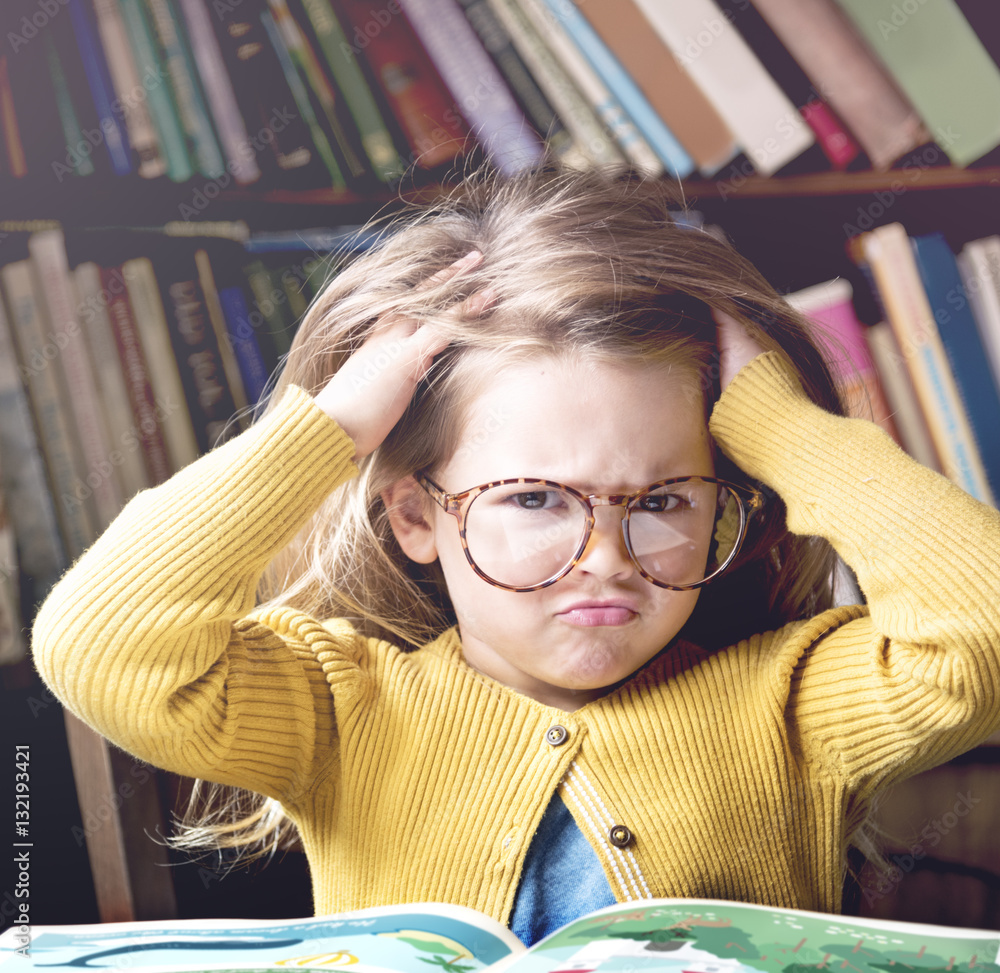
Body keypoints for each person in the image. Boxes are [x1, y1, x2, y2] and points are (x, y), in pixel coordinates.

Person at [32, 166, 1000, 944]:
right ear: (416, 517)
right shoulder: (339, 708)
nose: (604, 557)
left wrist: (783, 431)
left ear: (721, 507)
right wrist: (324, 431)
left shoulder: (792, 704)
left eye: (661, 498)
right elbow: (103, 648)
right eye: (533, 498)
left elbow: (982, 630)